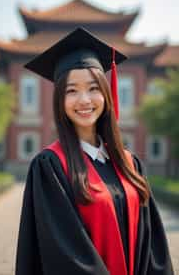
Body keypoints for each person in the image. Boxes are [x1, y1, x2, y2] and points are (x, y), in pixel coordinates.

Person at [15, 27, 174, 275]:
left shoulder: (130, 164)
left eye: (93, 88)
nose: (84, 100)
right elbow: (63, 255)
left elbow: (152, 247)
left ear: (106, 93)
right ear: (59, 100)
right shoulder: (50, 167)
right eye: (71, 90)